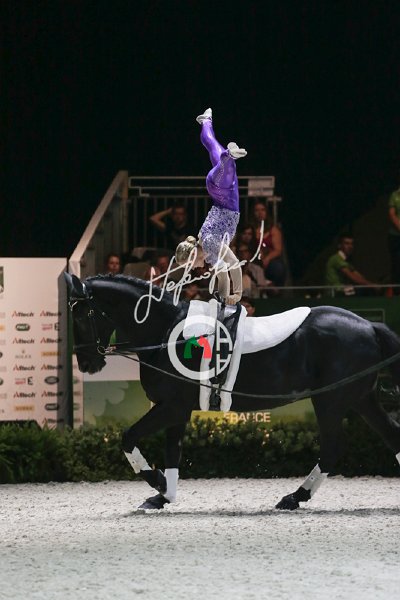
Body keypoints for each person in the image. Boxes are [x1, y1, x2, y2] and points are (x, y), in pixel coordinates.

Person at [175, 107, 246, 305]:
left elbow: (234, 263)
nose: (191, 268)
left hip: (224, 197)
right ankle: (206, 122)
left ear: (193, 254)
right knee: (213, 147)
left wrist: (237, 295)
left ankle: (229, 156)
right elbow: (223, 275)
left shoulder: (208, 243)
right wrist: (223, 298)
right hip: (224, 198)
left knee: (226, 166)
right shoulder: (209, 255)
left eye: (189, 264)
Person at [252, 201, 286, 287]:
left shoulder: (273, 230)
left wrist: (267, 258)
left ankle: (274, 289)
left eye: (262, 210)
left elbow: (278, 250)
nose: (260, 213)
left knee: (278, 267)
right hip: (253, 260)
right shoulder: (250, 230)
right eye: (257, 210)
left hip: (270, 261)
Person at [388, 183, 400, 286]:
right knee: (396, 264)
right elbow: (392, 214)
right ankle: (396, 290)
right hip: (395, 236)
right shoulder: (395, 195)